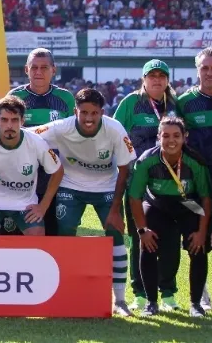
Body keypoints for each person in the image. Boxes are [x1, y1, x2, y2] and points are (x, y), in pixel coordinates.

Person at [33, 88, 136, 315]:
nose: (89, 118)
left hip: (107, 187)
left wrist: (116, 209)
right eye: (84, 113)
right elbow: (29, 134)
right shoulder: (62, 127)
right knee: (66, 233)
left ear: (102, 112)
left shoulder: (115, 129)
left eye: (95, 113)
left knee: (115, 235)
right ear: (74, 111)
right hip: (70, 185)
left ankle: (119, 301)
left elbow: (124, 168)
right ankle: (63, 293)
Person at [129, 117, 212, 317]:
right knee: (147, 245)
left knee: (198, 248)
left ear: (185, 137)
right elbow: (134, 197)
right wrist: (142, 231)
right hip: (157, 205)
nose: (171, 140)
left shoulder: (196, 162)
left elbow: (206, 199)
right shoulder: (146, 161)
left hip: (187, 206)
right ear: (158, 137)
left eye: (176, 135)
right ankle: (151, 303)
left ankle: (195, 304)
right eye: (165, 136)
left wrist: (202, 232)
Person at [0, 48, 74, 237]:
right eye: (34, 67)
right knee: (11, 235)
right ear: (26, 70)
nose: (38, 72)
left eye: (44, 67)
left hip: (51, 174)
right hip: (18, 173)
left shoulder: (65, 98)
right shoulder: (15, 96)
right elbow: (4, 125)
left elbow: (73, 133)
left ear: (54, 69)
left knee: (50, 231)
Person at [114, 59, 179, 311]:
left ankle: (169, 293)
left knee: (171, 240)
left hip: (170, 185)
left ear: (167, 80)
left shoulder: (175, 104)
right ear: (143, 79)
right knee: (140, 237)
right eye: (152, 76)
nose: (157, 80)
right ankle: (139, 293)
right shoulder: (131, 103)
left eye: (162, 76)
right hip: (137, 184)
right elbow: (115, 136)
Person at [0, 96, 62, 236]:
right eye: (4, 120)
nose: (9, 125)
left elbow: (58, 171)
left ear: (22, 120)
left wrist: (43, 206)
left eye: (14, 120)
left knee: (38, 237)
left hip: (25, 204)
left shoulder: (36, 142)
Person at [176, 46, 212, 310]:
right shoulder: (184, 104)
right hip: (196, 184)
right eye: (204, 68)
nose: (209, 72)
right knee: (197, 238)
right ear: (197, 71)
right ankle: (202, 295)